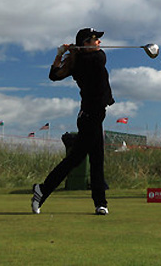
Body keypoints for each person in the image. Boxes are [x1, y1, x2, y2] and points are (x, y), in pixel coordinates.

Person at [32, 27, 115, 215]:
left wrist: (60, 54)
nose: (100, 43)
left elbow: (54, 74)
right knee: (76, 160)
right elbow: (99, 56)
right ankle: (43, 190)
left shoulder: (77, 59)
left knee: (95, 159)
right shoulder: (92, 59)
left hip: (93, 116)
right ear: (86, 43)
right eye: (95, 40)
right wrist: (71, 52)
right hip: (89, 117)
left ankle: (100, 203)